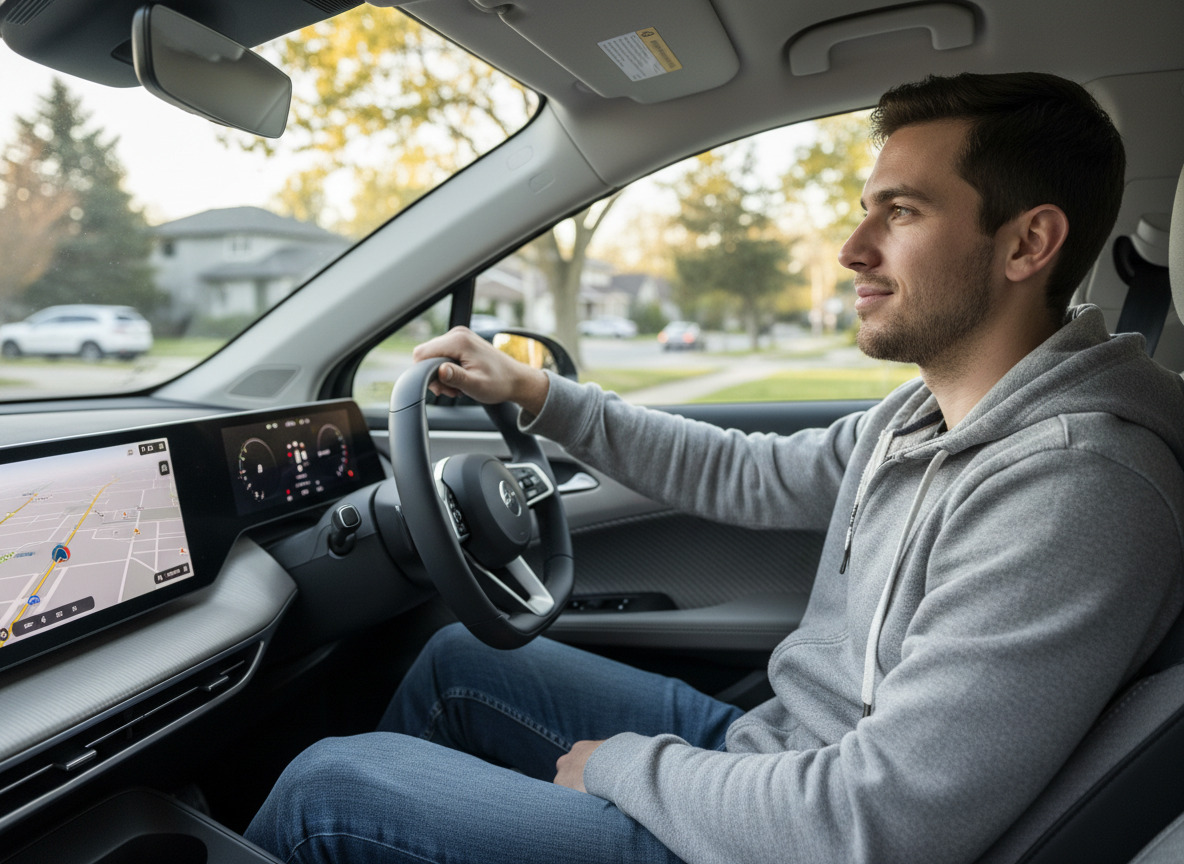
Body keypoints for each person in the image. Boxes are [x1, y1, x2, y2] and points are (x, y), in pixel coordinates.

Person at [245, 72, 1184, 863]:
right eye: (867, 212)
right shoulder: (926, 415)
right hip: (772, 755)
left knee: (333, 789)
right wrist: (539, 396)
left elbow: (876, 824)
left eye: (902, 213)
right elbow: (746, 474)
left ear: (1028, 243)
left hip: (806, 828)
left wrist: (618, 767)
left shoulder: (1076, 486)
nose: (853, 250)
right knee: (457, 661)